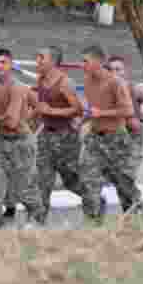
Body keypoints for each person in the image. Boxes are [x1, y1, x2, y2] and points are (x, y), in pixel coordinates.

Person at [0, 49, 45, 227]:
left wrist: (30, 126)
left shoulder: (18, 88)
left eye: (3, 62)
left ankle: (38, 219)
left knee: (24, 189)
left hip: (21, 142)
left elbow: (13, 120)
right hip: (0, 142)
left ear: (11, 65)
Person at [80, 45, 143, 220]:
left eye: (85, 61)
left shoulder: (115, 83)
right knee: (87, 180)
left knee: (123, 183)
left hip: (116, 139)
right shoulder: (87, 81)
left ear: (98, 62)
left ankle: (135, 217)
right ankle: (93, 221)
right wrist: (83, 119)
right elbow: (93, 108)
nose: (82, 65)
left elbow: (128, 110)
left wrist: (102, 113)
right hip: (94, 139)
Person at [31, 46, 88, 221]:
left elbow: (78, 109)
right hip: (46, 137)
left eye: (41, 57)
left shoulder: (65, 83)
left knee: (70, 180)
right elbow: (40, 106)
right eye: (37, 57)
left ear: (53, 62)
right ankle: (38, 221)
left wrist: (51, 111)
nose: (37, 61)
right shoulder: (41, 80)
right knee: (42, 181)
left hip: (65, 139)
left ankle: (93, 199)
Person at [107, 55, 143, 172]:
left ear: (125, 71)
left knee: (128, 171)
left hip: (132, 136)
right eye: (110, 70)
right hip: (113, 137)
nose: (114, 73)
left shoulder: (135, 89)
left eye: (118, 69)